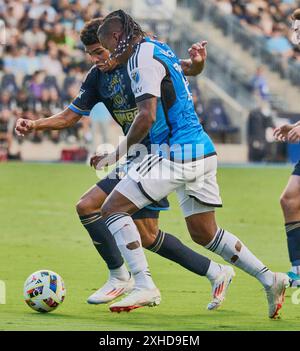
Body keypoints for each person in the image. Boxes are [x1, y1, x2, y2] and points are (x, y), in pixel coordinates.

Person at [15, 18, 233, 310]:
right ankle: (214, 272)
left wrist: (198, 63)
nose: (96, 58)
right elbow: (70, 116)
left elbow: (185, 68)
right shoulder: (97, 77)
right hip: (137, 157)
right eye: (91, 53)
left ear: (112, 43)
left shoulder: (138, 58)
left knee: (91, 206)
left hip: (159, 155)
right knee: (145, 235)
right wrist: (36, 125)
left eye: (99, 51)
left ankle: (122, 277)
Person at [96, 9, 289, 318]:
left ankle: (144, 284)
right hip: (202, 151)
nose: (105, 58)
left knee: (111, 208)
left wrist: (114, 154)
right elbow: (183, 72)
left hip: (176, 153)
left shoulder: (140, 58)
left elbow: (145, 116)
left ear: (118, 38)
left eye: (105, 49)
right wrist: (197, 65)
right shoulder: (158, 46)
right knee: (204, 233)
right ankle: (270, 278)